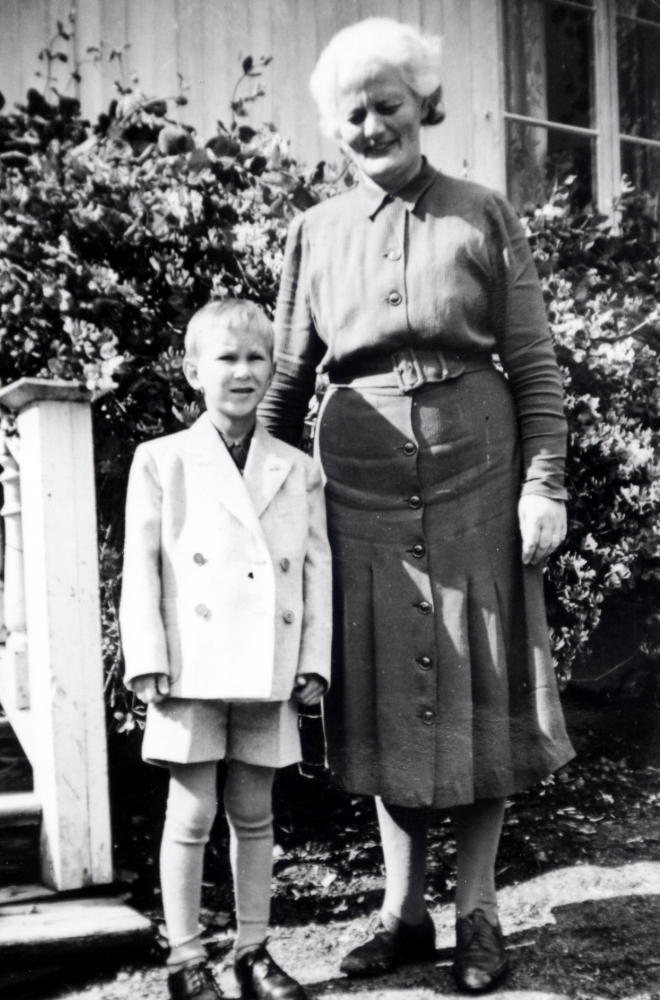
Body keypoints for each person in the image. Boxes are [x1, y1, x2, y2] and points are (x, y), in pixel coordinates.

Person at [259, 17, 574, 994]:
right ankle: (401, 914)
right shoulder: (311, 234)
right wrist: (248, 490)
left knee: (479, 684)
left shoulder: (482, 212)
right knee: (389, 693)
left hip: (478, 468)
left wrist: (544, 482)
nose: (368, 125)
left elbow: (531, 364)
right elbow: (283, 372)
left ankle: (477, 911)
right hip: (356, 481)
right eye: (349, 114)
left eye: (386, 105)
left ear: (422, 107)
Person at [120, 299, 332, 1000]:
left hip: (268, 663)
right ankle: (186, 958)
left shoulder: (296, 468)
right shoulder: (163, 460)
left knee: (254, 812)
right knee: (190, 812)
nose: (242, 372)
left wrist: (314, 660)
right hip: (191, 663)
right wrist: (146, 655)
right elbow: (142, 565)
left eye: (256, 359)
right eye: (226, 358)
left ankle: (252, 951)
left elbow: (313, 570)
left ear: (273, 369)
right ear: (192, 370)